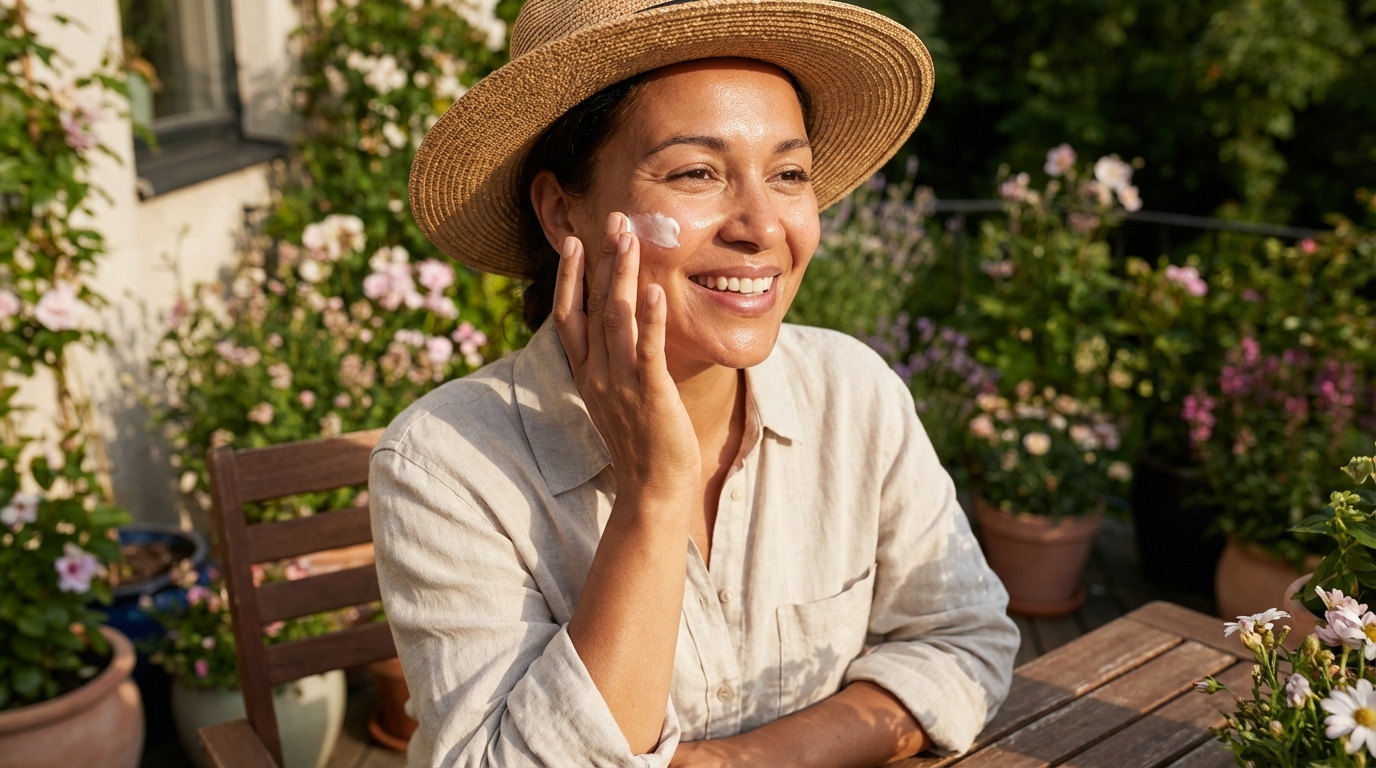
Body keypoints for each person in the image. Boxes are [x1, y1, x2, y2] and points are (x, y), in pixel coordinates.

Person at [371, 0, 1020, 765]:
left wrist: (739, 762)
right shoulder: (448, 465)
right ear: (561, 212)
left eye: (788, 174)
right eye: (696, 173)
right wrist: (653, 497)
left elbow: (964, 641)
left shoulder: (852, 393)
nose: (760, 226)